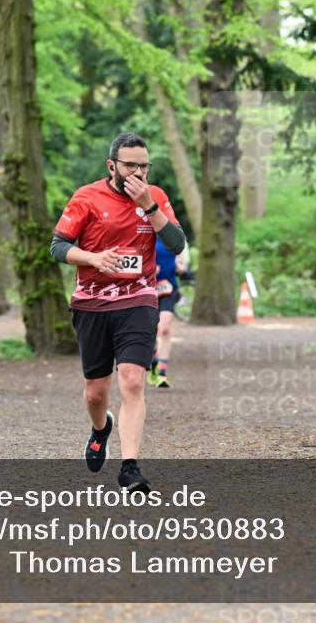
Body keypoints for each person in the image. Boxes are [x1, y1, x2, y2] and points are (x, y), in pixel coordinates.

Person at [50, 133, 186, 492]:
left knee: (132, 380)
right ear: (112, 166)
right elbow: (57, 246)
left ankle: (130, 467)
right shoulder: (86, 197)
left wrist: (150, 207)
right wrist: (93, 258)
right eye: (130, 165)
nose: (137, 172)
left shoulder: (155, 197)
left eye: (143, 165)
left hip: (139, 299)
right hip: (92, 301)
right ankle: (100, 429)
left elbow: (176, 243)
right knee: (96, 392)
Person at [148, 239, 184, 389]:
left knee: (164, 328)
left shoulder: (171, 231)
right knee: (148, 331)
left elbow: (181, 255)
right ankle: (152, 359)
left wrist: (180, 266)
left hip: (168, 288)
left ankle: (162, 373)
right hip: (146, 288)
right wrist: (148, 269)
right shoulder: (141, 230)